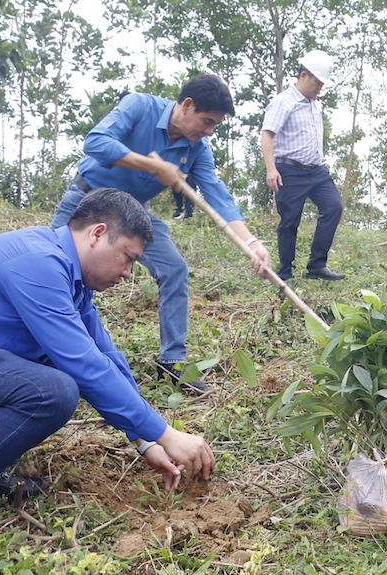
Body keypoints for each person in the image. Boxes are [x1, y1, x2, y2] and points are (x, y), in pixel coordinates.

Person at [0, 189, 216, 564]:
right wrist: (166, 433)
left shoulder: (70, 281)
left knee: (44, 373)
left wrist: (145, 439)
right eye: (127, 258)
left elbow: (104, 357)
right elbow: (81, 364)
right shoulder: (36, 262)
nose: (127, 273)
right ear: (96, 233)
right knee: (50, 389)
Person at [51, 75, 271, 395]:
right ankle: (51, 355)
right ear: (187, 105)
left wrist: (251, 243)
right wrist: (151, 166)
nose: (208, 131)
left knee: (174, 268)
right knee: (60, 273)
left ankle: (172, 362)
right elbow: (96, 142)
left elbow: (217, 194)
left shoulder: (197, 148)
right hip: (87, 201)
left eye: (214, 126)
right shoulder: (139, 106)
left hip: (132, 211)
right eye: (207, 121)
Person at [261, 50, 345, 281]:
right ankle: (285, 272)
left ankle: (317, 265)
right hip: (289, 170)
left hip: (317, 171)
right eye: (317, 82)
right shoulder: (283, 102)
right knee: (290, 221)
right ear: (304, 75)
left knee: (333, 208)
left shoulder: (315, 104)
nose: (319, 87)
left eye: (322, 84)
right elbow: (267, 134)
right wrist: (271, 169)